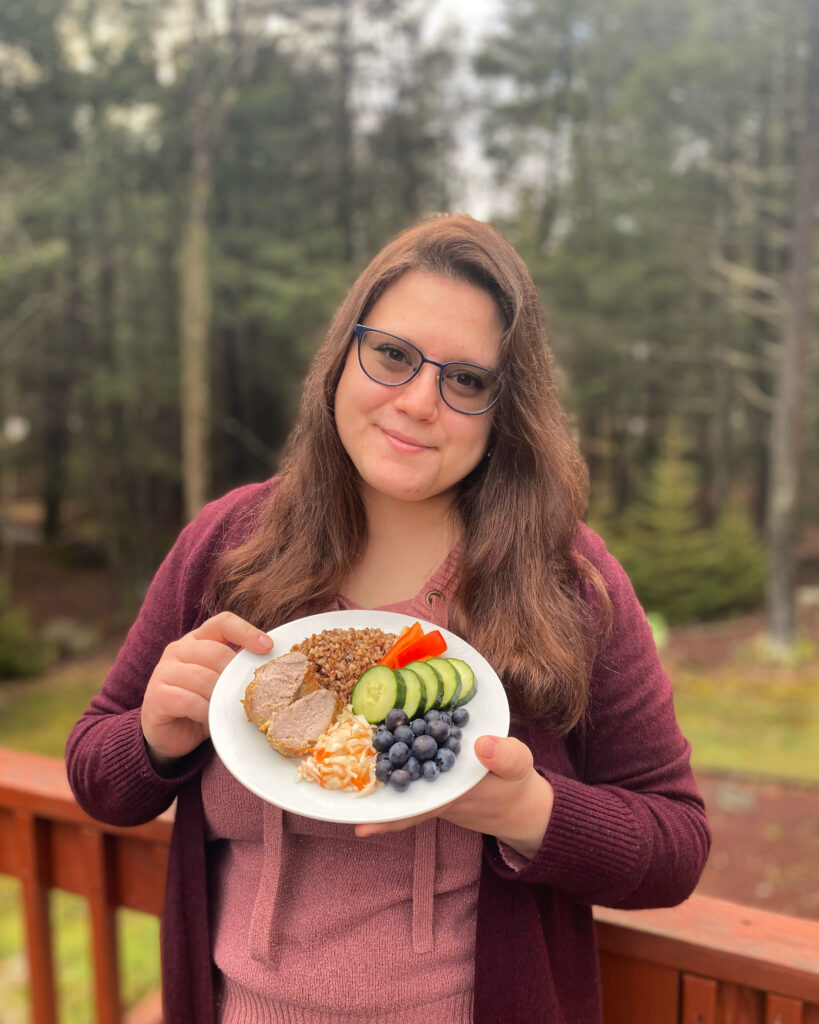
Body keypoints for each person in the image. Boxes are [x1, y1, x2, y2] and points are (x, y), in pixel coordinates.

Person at [66, 214, 710, 1024]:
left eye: (467, 380)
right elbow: (97, 772)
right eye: (393, 355)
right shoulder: (228, 545)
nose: (417, 402)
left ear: (503, 409)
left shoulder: (567, 581)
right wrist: (154, 735)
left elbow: (674, 844)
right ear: (342, 355)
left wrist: (525, 813)